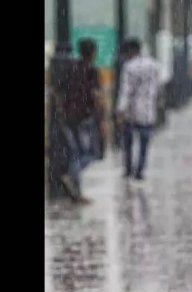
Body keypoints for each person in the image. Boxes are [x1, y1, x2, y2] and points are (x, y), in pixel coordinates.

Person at [60, 38, 106, 203]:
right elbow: (96, 96)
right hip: (85, 118)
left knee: (75, 154)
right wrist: (102, 119)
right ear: (93, 52)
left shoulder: (71, 68)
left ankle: (77, 193)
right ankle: (71, 177)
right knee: (91, 153)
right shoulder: (92, 71)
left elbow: (60, 91)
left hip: (67, 116)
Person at [116, 38, 160, 181]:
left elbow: (126, 90)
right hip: (148, 109)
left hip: (131, 110)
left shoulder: (128, 67)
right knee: (144, 142)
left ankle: (128, 168)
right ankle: (140, 170)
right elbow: (158, 85)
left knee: (128, 141)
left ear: (130, 51)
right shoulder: (153, 64)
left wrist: (120, 110)